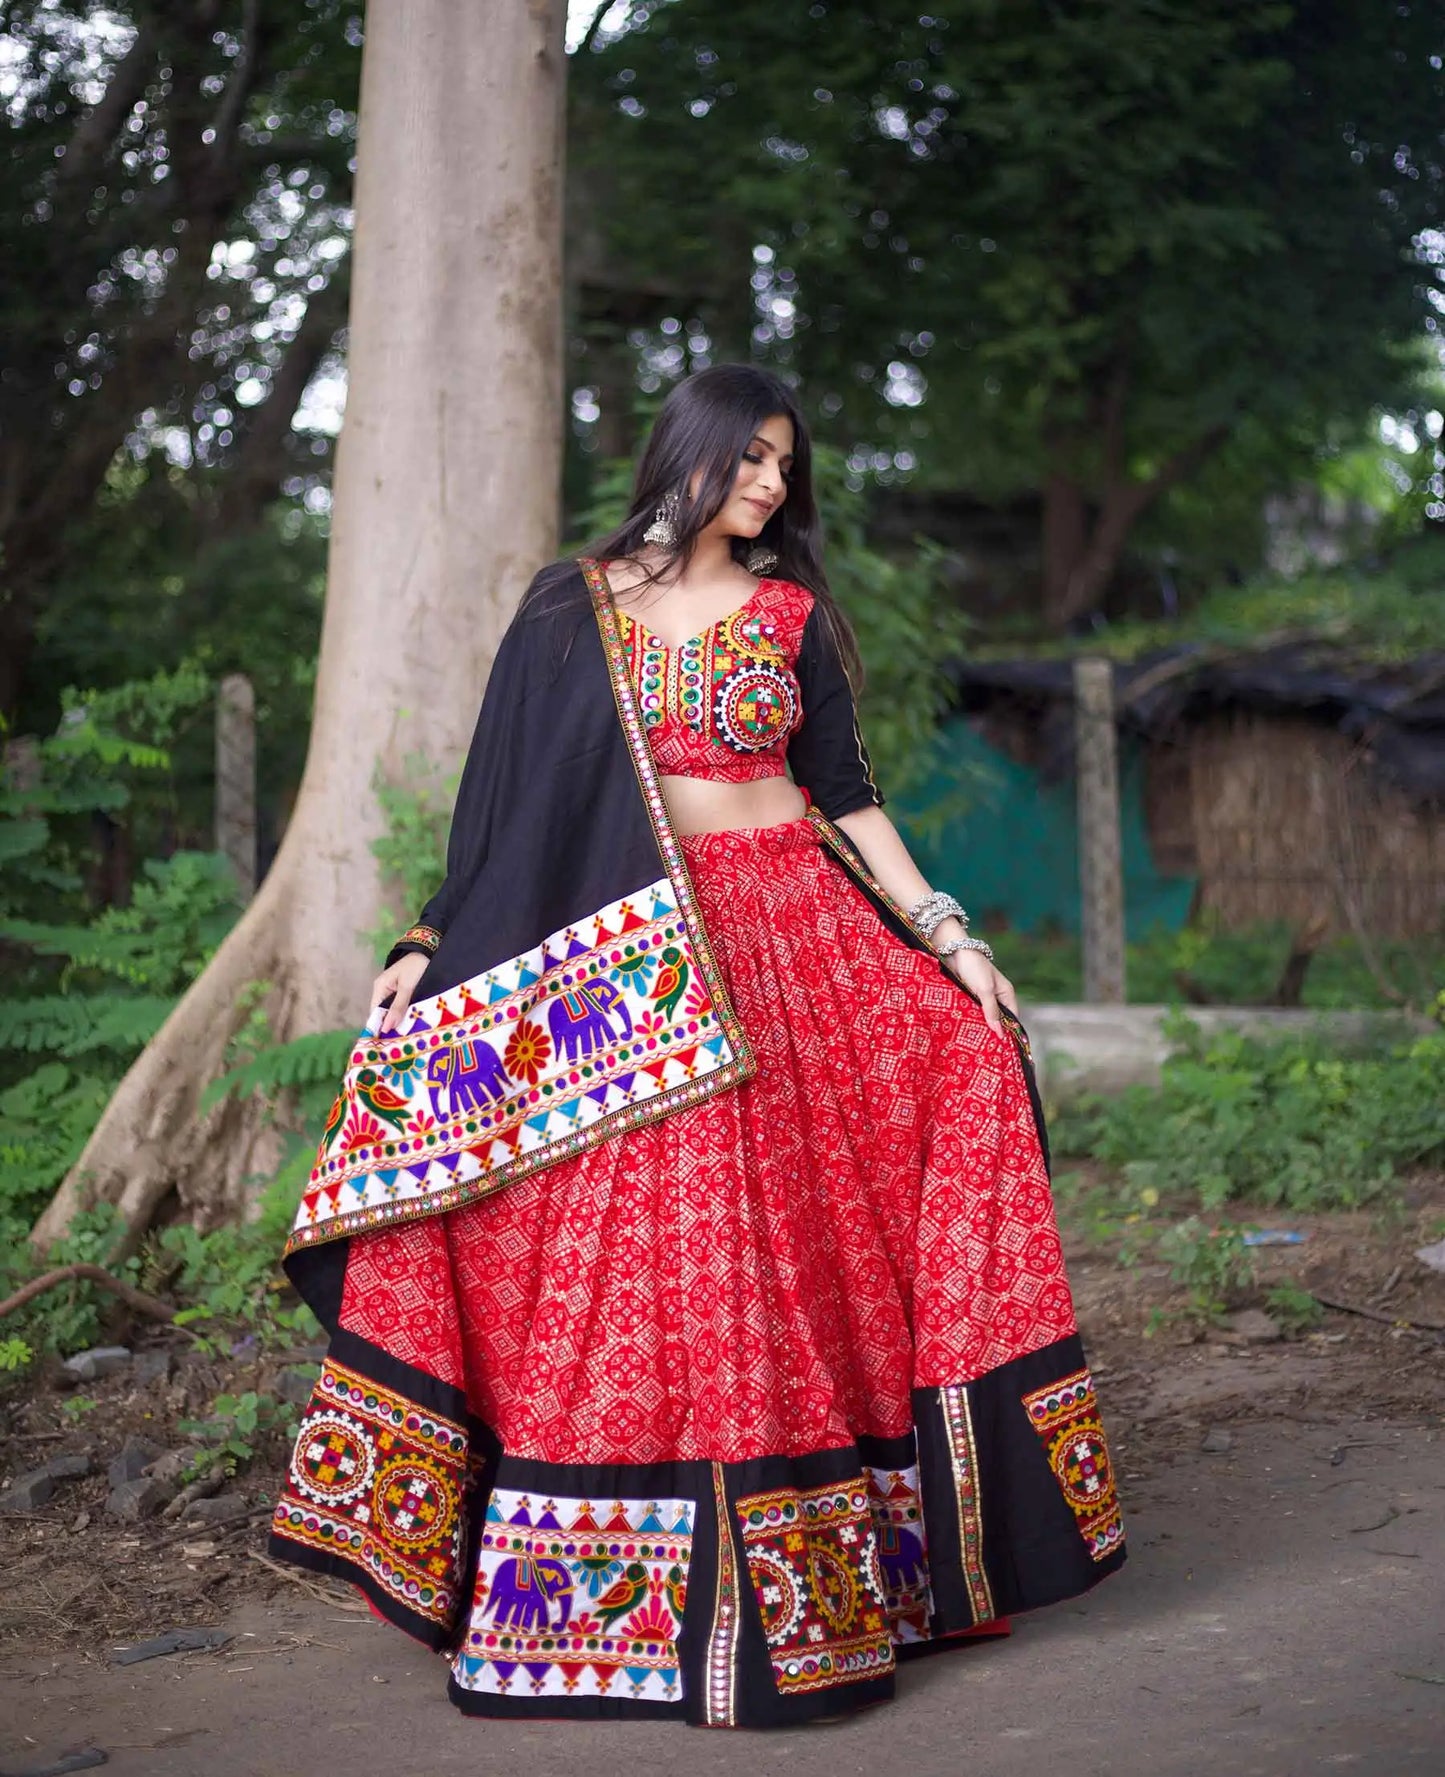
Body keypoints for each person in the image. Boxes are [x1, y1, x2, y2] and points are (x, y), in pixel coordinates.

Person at [270, 363, 1124, 1728]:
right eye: (754, 459)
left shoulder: (789, 612)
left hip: (800, 947)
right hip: (641, 969)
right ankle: (616, 1585)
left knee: (819, 1223)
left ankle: (856, 1571)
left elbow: (842, 794)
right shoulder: (572, 606)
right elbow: (504, 809)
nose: (773, 485)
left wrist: (947, 934)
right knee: (645, 1257)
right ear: (693, 448)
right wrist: (427, 945)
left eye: (786, 466)